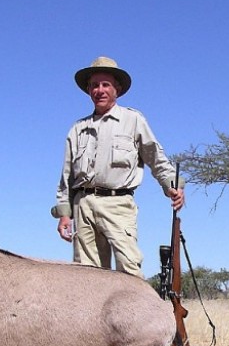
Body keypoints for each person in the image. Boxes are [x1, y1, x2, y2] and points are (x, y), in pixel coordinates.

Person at [52, 57, 184, 278]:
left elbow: (156, 157)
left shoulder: (133, 120)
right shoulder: (77, 129)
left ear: (117, 89)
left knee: (129, 270)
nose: (99, 90)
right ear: (88, 90)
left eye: (105, 85)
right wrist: (64, 214)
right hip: (82, 205)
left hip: (118, 204)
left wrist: (173, 185)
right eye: (94, 85)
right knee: (86, 276)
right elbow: (66, 177)